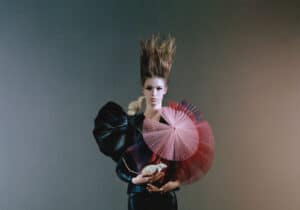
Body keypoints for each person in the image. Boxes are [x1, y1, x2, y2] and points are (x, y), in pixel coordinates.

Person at [93, 34, 214, 210]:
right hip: (138, 200)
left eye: (158, 88)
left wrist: (171, 185)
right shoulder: (131, 125)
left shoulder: (175, 126)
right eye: (149, 88)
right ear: (143, 88)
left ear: (165, 89)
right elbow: (121, 168)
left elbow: (180, 169)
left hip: (166, 200)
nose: (154, 94)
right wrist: (136, 179)